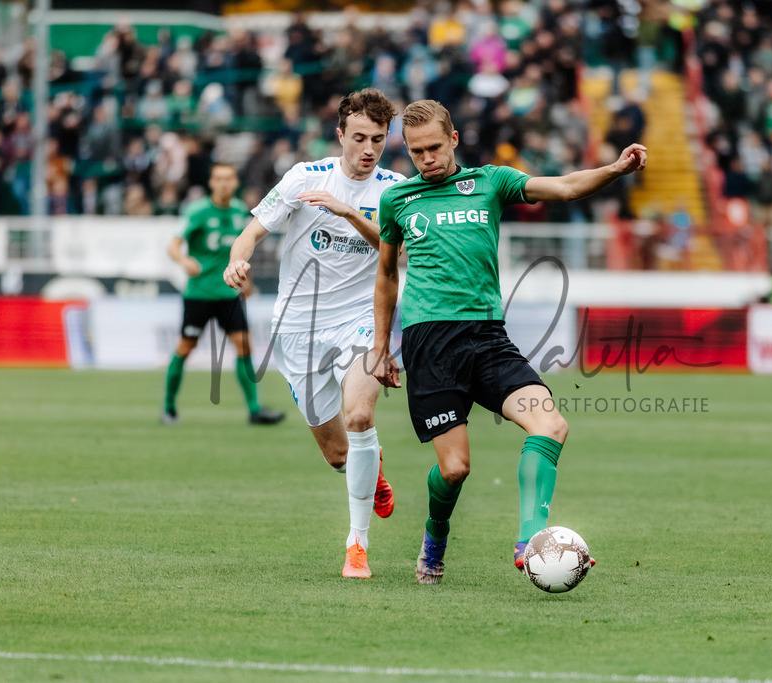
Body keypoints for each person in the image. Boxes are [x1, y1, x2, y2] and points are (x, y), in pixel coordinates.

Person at [372, 99, 648, 584]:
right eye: (416, 152)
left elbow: (562, 187)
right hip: (428, 342)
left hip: (487, 336)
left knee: (550, 425)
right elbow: (386, 277)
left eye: (434, 147)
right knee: (455, 469)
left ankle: (531, 542)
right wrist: (379, 348)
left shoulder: (490, 182)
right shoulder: (399, 201)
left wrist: (616, 169)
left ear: (453, 139)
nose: (427, 158)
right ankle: (435, 534)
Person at [223, 89, 404, 579]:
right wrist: (237, 261)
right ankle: (372, 469)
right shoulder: (305, 178)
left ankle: (357, 546)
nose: (369, 149)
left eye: (380, 140)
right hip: (297, 330)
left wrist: (350, 214)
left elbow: (401, 257)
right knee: (338, 452)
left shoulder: (395, 190)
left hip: (361, 322)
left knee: (361, 416)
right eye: (360, 138)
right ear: (340, 134)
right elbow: (252, 231)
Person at [162, 162, 286, 428]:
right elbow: (173, 246)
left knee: (244, 345)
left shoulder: (241, 210)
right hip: (200, 294)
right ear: (211, 182)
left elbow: (244, 248)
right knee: (185, 348)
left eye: (229, 178)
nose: (224, 183)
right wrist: (183, 260)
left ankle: (254, 409)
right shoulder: (197, 211)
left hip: (229, 294)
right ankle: (169, 408)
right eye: (219, 178)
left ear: (235, 182)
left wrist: (247, 280)